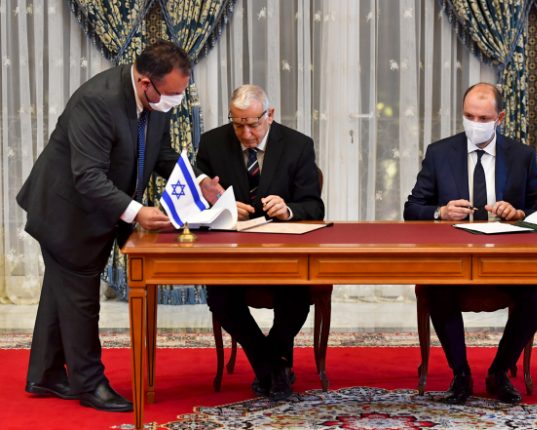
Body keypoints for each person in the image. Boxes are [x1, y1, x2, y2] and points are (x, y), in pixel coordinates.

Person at [16, 40, 223, 412]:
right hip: (67, 212)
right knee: (80, 297)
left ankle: (45, 374)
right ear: (145, 83)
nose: (175, 102)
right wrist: (137, 212)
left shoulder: (155, 101)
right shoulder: (97, 102)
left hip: (97, 209)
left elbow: (160, 153)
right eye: (171, 95)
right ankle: (90, 384)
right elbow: (88, 176)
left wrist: (200, 181)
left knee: (62, 291)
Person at [403, 83, 537, 404]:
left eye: (483, 118)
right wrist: (440, 212)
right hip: (453, 259)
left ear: (500, 118)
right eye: (469, 116)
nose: (475, 123)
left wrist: (519, 213)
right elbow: (412, 208)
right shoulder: (440, 153)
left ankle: (499, 371)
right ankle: (461, 374)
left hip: (507, 259)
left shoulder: (521, 156)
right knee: (436, 289)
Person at [196, 84, 324, 401]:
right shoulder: (212, 143)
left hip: (283, 254)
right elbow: (197, 203)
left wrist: (289, 209)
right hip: (232, 254)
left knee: (296, 300)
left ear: (270, 115)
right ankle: (273, 366)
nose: (246, 133)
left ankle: (270, 366)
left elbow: (314, 206)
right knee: (221, 300)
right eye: (238, 124)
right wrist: (222, 208)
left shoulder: (298, 145)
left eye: (253, 124)